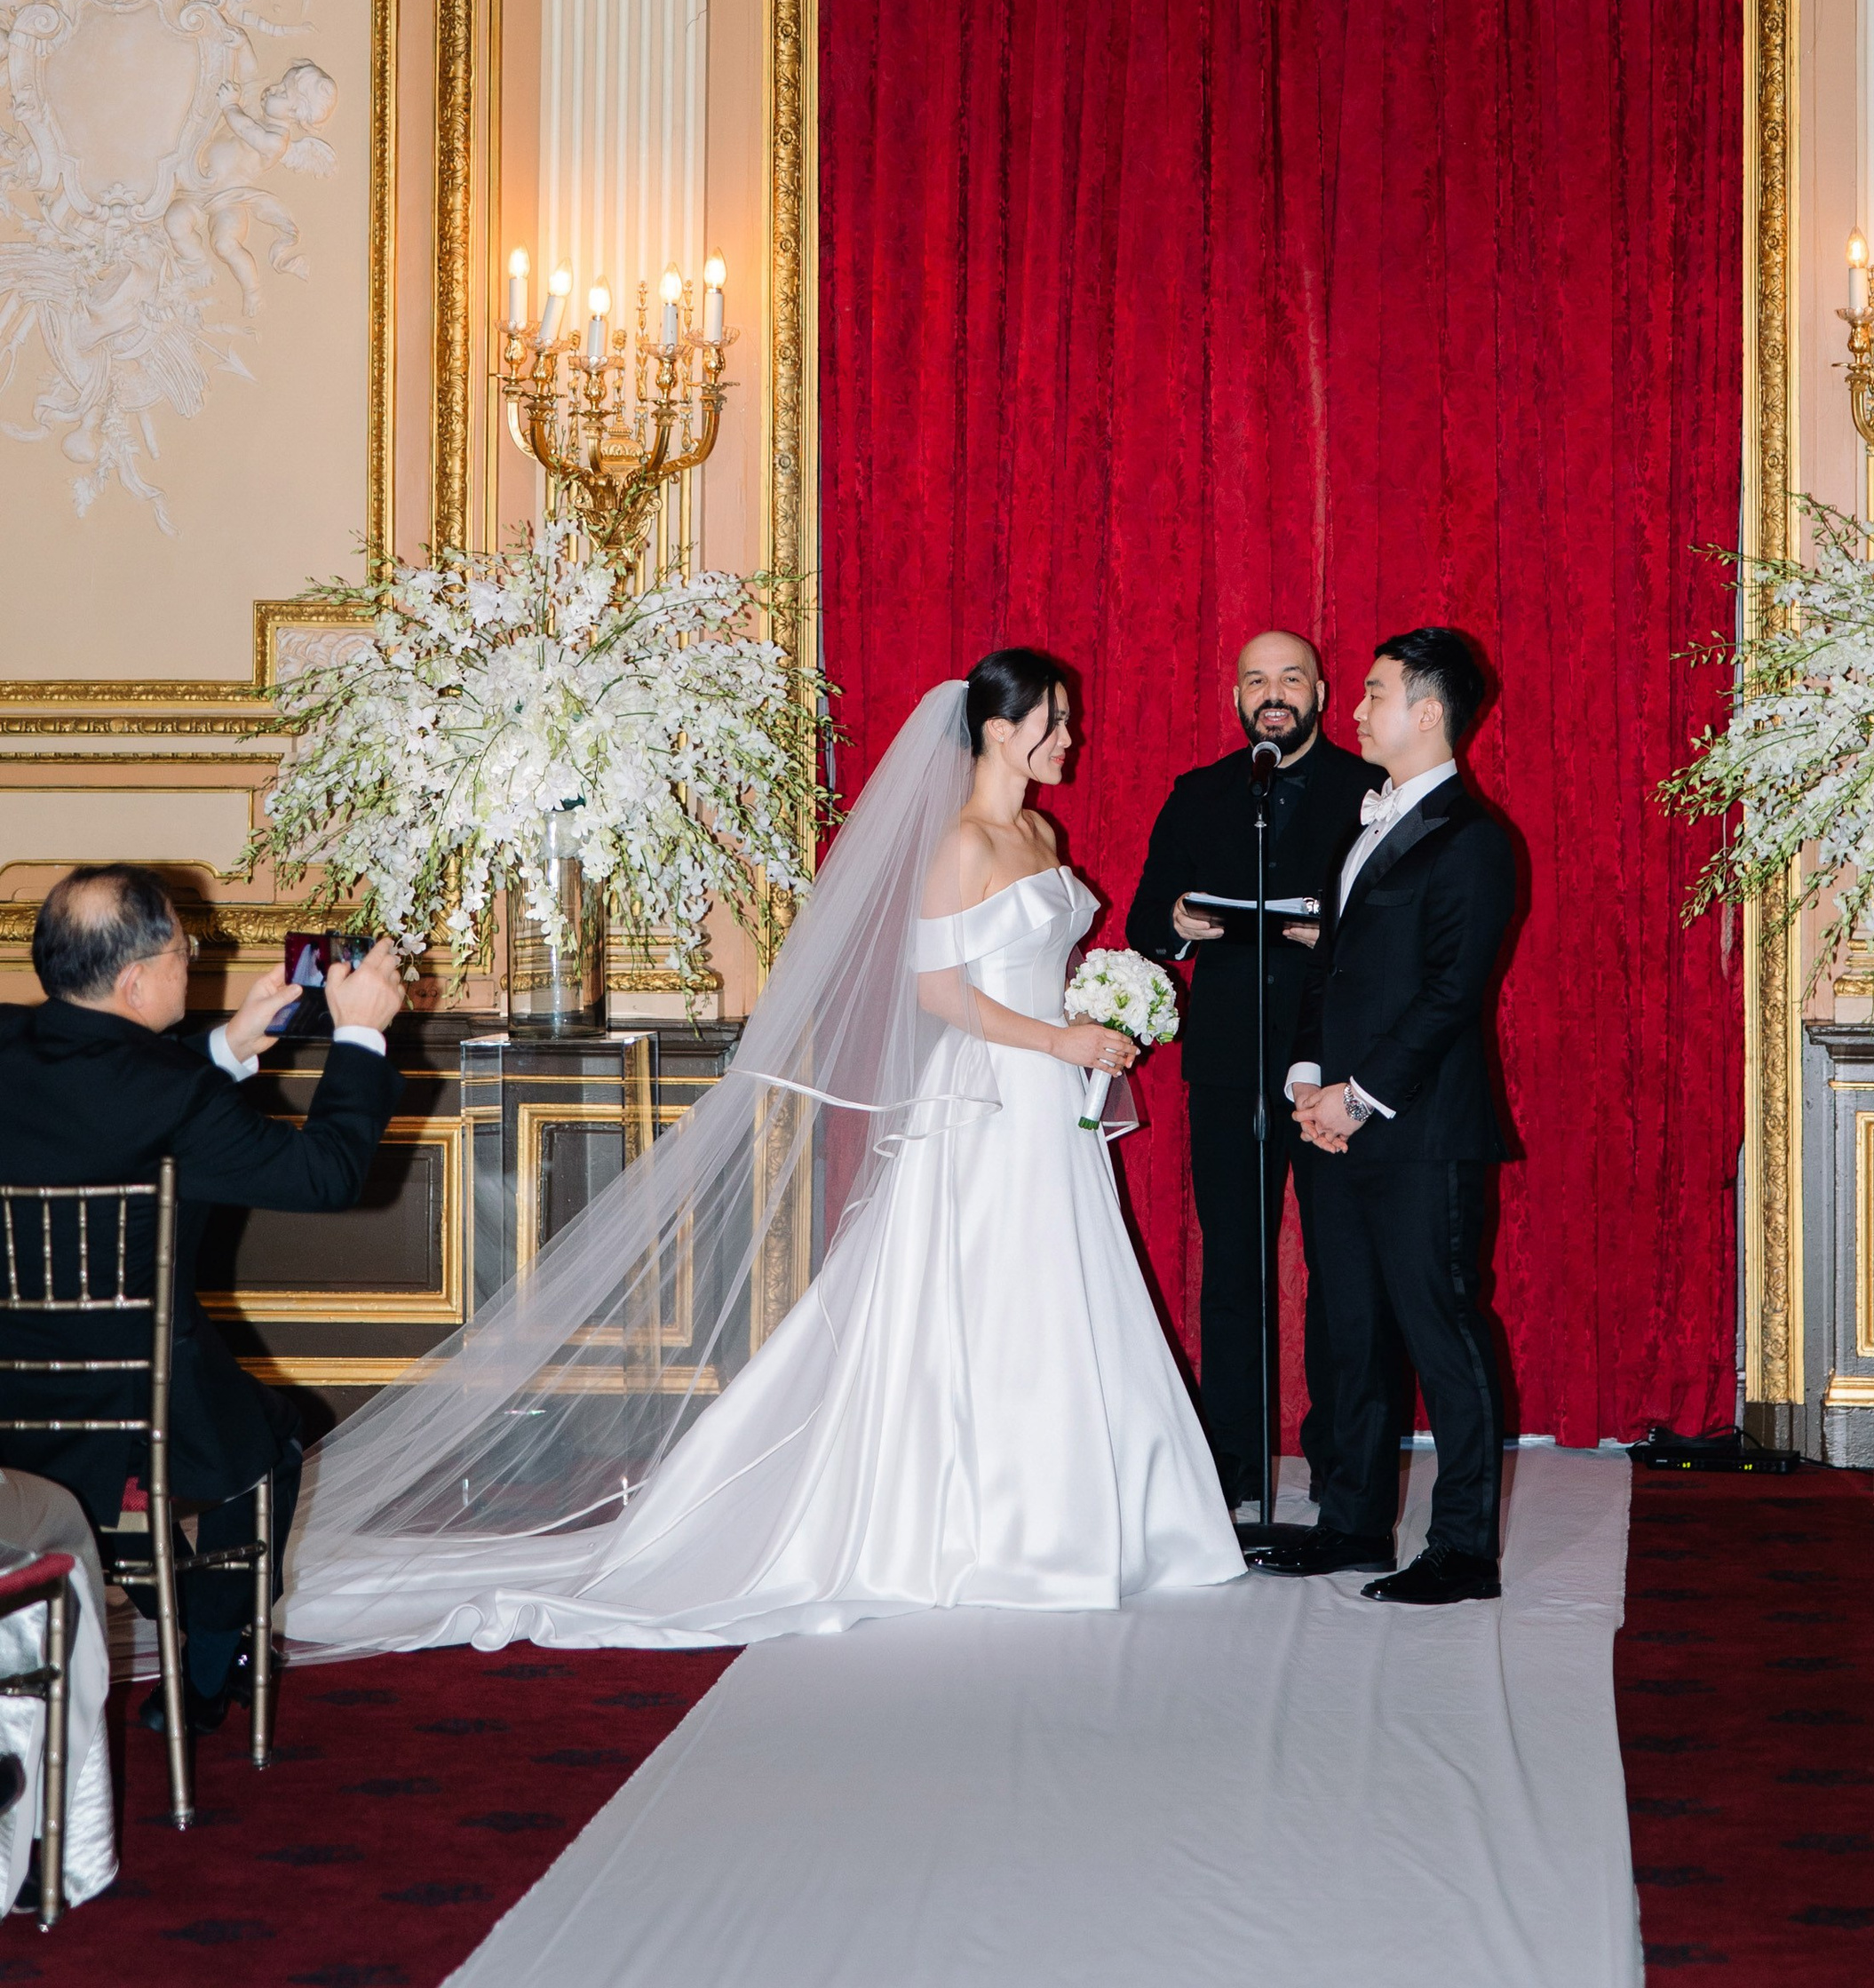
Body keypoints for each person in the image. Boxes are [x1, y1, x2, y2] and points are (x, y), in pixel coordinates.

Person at [281, 653, 1245, 1652]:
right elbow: (935, 991)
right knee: (996, 1291)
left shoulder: (1040, 830)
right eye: (1052, 721)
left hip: (1052, 1095)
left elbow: (1035, 959)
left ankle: (1088, 1516)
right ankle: (999, 1529)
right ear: (998, 731)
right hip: (994, 1091)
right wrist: (1054, 1037)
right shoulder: (960, 842)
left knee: (1066, 1287)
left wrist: (1090, 1009)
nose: (1068, 738)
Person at [0, 867, 403, 1730]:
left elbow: (102, 1089)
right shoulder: (174, 1098)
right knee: (274, 1441)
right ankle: (207, 1664)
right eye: (185, 950)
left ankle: (138, 1566)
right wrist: (360, 1037)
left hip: (8, 1406)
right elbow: (325, 1174)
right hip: (140, 1413)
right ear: (137, 978)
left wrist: (228, 1045)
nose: (195, 963)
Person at [1260, 628, 1516, 1606]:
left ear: (1427, 711)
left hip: (1421, 1133)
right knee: (1348, 1326)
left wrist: (1360, 1098)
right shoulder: (1356, 826)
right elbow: (1331, 970)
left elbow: (1450, 994)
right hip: (1333, 1119)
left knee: (1439, 1329)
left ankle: (1462, 1549)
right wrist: (1306, 1080)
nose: (1355, 710)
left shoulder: (1475, 837)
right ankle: (1353, 1522)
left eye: (1372, 693)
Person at [1125, 629, 1380, 1514]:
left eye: (1289, 678)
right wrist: (1177, 923)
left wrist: (1333, 937)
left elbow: (1395, 931)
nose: (1272, 694)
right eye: (1254, 680)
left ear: (1320, 688)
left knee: (1340, 1271)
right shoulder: (1198, 794)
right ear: (1235, 694)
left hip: (1334, 1071)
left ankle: (1342, 1467)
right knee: (1233, 1271)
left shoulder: (1366, 790)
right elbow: (1144, 925)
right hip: (1230, 1066)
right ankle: (1233, 1468)